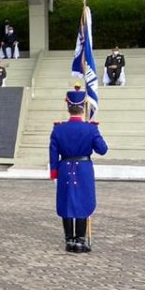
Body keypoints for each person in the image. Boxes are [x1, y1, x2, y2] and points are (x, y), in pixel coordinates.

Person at [50, 85, 108, 253]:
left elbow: (53, 153)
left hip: (65, 167)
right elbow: (102, 149)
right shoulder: (91, 128)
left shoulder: (58, 129)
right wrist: (94, 131)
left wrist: (54, 173)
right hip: (83, 168)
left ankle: (69, 240)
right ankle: (80, 241)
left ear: (68, 106)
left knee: (66, 202)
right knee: (83, 201)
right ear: (83, 107)